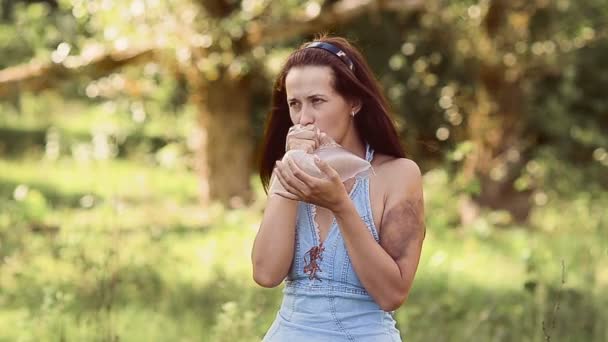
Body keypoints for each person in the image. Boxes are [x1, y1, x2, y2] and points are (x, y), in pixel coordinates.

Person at [252, 35, 426, 341]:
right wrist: (287, 182)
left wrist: (341, 205)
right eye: (295, 104)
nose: (304, 119)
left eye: (317, 101)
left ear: (354, 103)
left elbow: (392, 294)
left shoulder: (398, 175)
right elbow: (266, 274)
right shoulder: (291, 173)